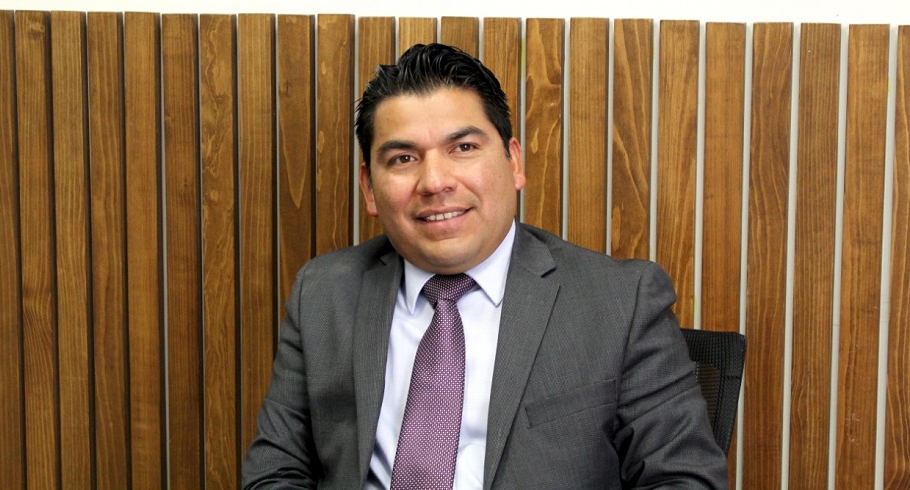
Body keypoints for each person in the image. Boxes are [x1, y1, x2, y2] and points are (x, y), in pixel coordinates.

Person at [243, 43, 727, 489]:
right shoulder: (324, 293)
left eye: (463, 148)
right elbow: (276, 471)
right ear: (370, 188)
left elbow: (684, 479)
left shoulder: (620, 301)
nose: (435, 181)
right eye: (404, 158)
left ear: (513, 163)